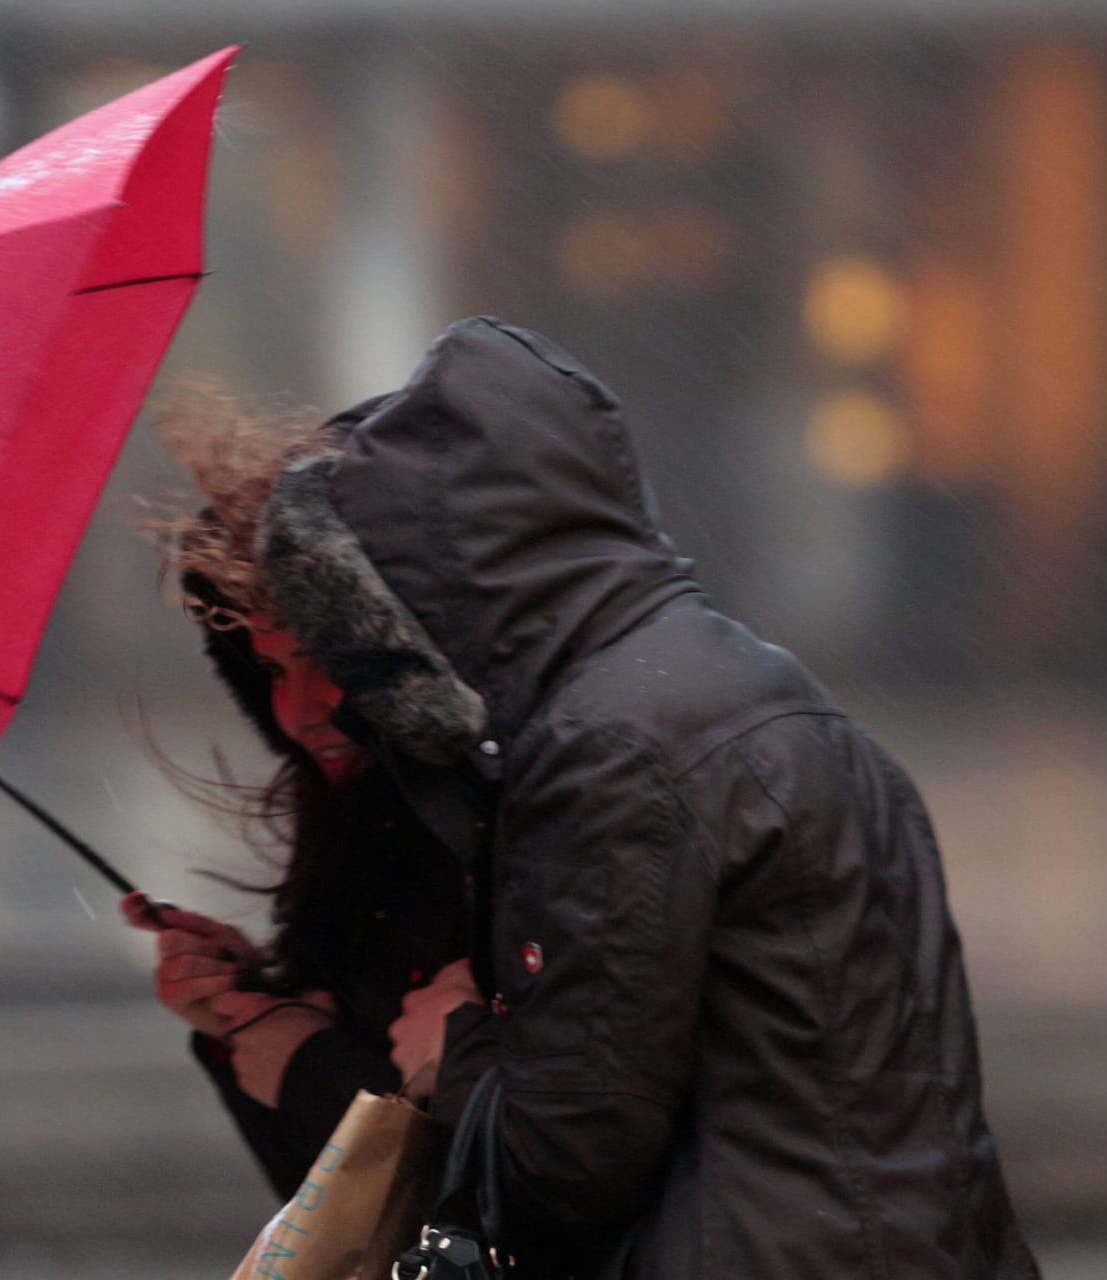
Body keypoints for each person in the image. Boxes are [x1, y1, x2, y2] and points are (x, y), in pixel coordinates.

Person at [245, 317, 1042, 1278]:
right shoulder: (741, 687)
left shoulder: (607, 754)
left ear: (437, 574)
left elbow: (565, 1164)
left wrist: (450, 1046)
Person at [121, 392, 474, 1200]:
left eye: (328, 659)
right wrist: (255, 1014)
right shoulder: (359, 839)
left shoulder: (496, 836)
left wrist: (309, 1065)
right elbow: (335, 1220)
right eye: (275, 671)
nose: (297, 710)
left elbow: (520, 1188)